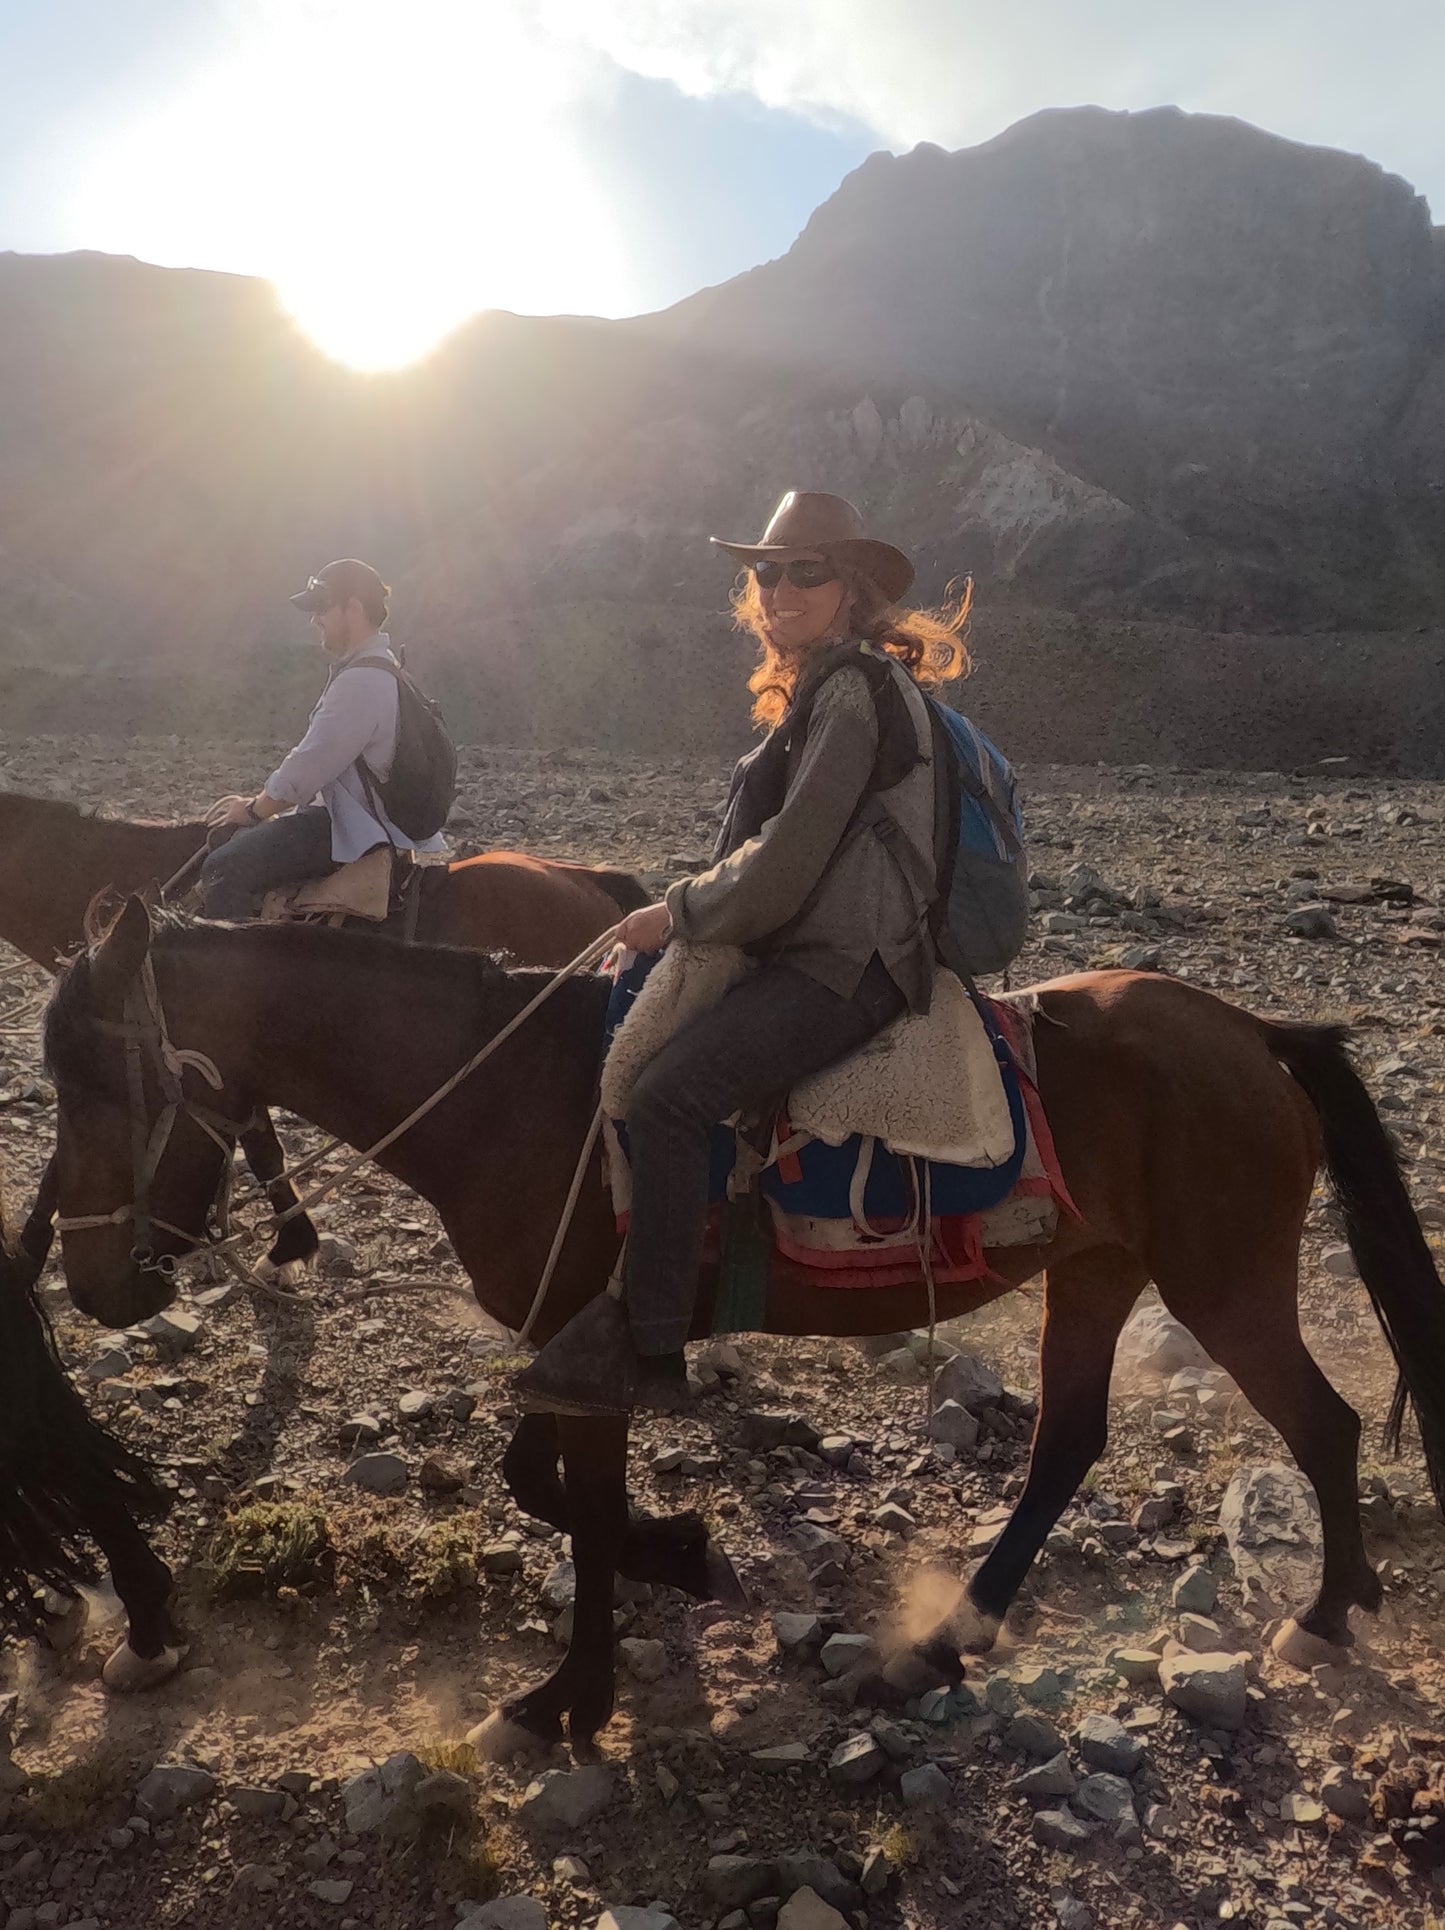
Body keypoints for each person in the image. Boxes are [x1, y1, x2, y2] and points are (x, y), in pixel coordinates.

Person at [514, 490, 971, 1416]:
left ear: (852, 590)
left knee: (670, 1096)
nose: (780, 587)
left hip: (850, 963)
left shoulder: (851, 690)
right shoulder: (830, 685)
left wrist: (675, 913)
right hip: (823, 945)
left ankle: (648, 1352)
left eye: (807, 570)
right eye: (765, 570)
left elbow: (791, 853)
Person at [199, 558, 448, 919]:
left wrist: (254, 809)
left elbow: (309, 765)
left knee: (222, 869)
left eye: (323, 608)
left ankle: (236, 972)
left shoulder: (360, 683)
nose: (315, 619)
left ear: (354, 608)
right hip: (374, 824)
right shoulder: (386, 670)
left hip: (350, 829)